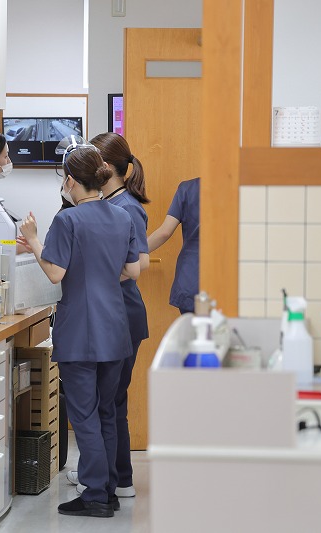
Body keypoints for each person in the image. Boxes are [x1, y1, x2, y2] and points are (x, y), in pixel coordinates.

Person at [17, 144, 140, 518]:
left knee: (84, 415)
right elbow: (133, 270)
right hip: (115, 327)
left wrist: (33, 239)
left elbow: (55, 273)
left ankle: (95, 495)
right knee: (106, 412)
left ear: (70, 181)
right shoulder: (122, 217)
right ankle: (109, 490)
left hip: (82, 330)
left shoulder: (68, 221)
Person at [61, 132, 149, 499]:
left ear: (105, 167)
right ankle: (109, 477)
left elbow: (139, 264)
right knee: (107, 403)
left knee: (107, 403)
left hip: (118, 313)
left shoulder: (125, 208)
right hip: (109, 313)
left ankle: (113, 479)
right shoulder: (108, 206)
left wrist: (94, 271)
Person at [147, 177, 200, 314]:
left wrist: (132, 253)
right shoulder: (237, 188)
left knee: (192, 327)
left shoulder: (188, 188)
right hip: (226, 277)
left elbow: (164, 232)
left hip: (191, 278)